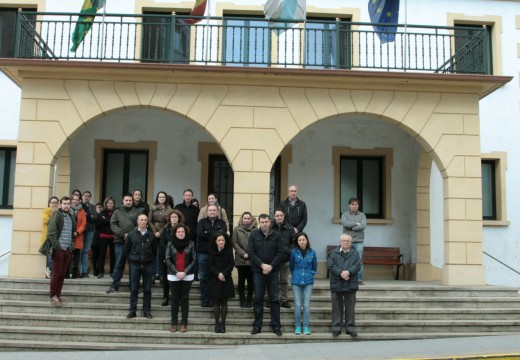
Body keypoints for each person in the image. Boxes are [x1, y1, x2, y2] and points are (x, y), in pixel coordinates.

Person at [248, 213, 285, 336]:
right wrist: (262, 265)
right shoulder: (253, 235)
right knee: (258, 298)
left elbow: (280, 253)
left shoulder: (277, 235)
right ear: (259, 222)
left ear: (270, 222)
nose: (264, 224)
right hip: (258, 271)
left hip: (273, 271)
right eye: (262, 222)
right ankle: (257, 326)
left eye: (266, 222)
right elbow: (251, 252)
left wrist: (270, 266)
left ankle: (276, 326)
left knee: (274, 299)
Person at [327, 233, 362, 338]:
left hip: (350, 284)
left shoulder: (355, 254)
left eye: (347, 241)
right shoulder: (333, 253)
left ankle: (350, 328)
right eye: (343, 241)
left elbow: (357, 265)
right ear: (340, 242)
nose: (345, 242)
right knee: (336, 307)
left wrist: (348, 272)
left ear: (351, 243)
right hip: (337, 283)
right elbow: (331, 265)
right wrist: (341, 273)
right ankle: (336, 328)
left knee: (350, 308)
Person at [165, 224, 196, 333]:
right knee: (174, 299)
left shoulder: (191, 244)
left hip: (187, 275)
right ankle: (174, 323)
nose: (181, 233)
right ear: (175, 233)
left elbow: (194, 259)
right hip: (174, 275)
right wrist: (176, 272)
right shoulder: (170, 244)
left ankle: (184, 323)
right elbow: (167, 259)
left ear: (185, 233)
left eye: (182, 231)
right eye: (178, 232)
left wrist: (185, 272)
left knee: (184, 299)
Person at [124, 213, 156, 319]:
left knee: (147, 289)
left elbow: (154, 251)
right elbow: (126, 250)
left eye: (145, 220)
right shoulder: (131, 234)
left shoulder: (151, 235)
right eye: (141, 220)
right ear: (137, 221)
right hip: (135, 265)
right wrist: (132, 260)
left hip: (148, 265)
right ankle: (132, 310)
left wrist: (150, 261)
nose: (144, 221)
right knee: (134, 289)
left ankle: (146, 311)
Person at [47, 196, 76, 307]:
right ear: (60, 204)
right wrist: (57, 247)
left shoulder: (71, 216)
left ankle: (58, 295)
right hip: (59, 249)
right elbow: (51, 234)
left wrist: (71, 246)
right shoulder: (57, 215)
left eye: (68, 203)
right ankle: (53, 296)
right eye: (64, 203)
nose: (66, 205)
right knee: (56, 273)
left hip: (67, 249)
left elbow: (72, 233)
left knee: (63, 274)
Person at [107, 193, 139, 293]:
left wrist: (131, 235)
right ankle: (114, 286)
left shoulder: (137, 212)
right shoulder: (117, 212)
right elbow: (113, 224)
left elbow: (140, 224)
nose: (128, 202)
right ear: (123, 201)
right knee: (119, 264)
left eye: (130, 200)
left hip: (133, 242)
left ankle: (133, 287)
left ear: (132, 201)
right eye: (126, 200)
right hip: (120, 241)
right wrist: (122, 234)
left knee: (133, 265)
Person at [196, 204, 227, 307]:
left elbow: (223, 235)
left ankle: (213, 299)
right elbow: (200, 234)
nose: (212, 212)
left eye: (214, 210)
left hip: (217, 255)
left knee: (214, 277)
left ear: (217, 212)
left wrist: (207, 232)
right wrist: (215, 234)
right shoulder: (201, 222)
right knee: (204, 277)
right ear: (207, 211)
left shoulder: (222, 223)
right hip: (203, 254)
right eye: (210, 210)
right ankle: (205, 299)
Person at [290, 232, 317, 335]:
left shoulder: (312, 252)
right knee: (297, 304)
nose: (302, 242)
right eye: (300, 240)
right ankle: (297, 326)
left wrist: (310, 274)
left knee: (306, 304)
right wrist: (296, 274)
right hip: (296, 281)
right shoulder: (293, 252)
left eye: (303, 240)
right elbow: (291, 266)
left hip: (308, 281)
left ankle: (306, 326)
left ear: (307, 240)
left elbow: (314, 267)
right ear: (297, 242)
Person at [208, 232, 235, 333]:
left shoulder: (229, 250)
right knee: (216, 302)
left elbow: (231, 264)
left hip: (226, 278)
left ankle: (222, 324)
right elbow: (210, 265)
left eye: (222, 240)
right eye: (219, 240)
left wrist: (223, 274)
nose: (221, 242)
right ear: (215, 241)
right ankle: (216, 323)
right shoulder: (211, 251)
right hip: (215, 278)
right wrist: (218, 274)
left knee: (224, 302)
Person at [159, 209, 185, 306]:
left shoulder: (182, 229)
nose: (174, 219)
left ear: (178, 219)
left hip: (180, 258)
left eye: (175, 217)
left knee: (179, 279)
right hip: (168, 258)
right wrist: (168, 255)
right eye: (172, 217)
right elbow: (162, 244)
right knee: (166, 279)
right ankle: (166, 297)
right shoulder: (165, 230)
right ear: (169, 219)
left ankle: (178, 298)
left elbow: (185, 242)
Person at [271, 208, 295, 309]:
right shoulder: (270, 227)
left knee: (284, 280)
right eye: (277, 215)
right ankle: (273, 299)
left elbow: (294, 243)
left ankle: (284, 299)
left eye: (281, 215)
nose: (279, 217)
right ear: (274, 217)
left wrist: (288, 251)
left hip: (285, 259)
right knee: (273, 280)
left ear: (284, 216)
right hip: (273, 260)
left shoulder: (290, 228)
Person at [232, 211, 256, 308]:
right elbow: (234, 242)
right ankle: (242, 299)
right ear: (242, 219)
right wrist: (243, 253)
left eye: (248, 218)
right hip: (240, 260)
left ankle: (249, 299)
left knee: (251, 281)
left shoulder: (255, 230)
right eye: (244, 218)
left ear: (251, 219)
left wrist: (250, 254)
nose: (246, 220)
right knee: (241, 281)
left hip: (252, 260)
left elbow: (256, 243)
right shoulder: (236, 229)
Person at [341, 197, 367, 284]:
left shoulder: (362, 215)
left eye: (356, 204)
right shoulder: (344, 215)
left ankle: (358, 279)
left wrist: (350, 227)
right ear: (349, 205)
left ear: (358, 205)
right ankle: (346, 277)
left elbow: (363, 226)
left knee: (358, 260)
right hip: (347, 241)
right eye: (353, 204)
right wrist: (356, 224)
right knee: (346, 259)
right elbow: (345, 223)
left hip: (359, 241)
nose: (354, 206)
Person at [149, 191, 172, 281]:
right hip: (153, 232)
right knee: (153, 253)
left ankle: (160, 272)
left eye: (163, 197)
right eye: (160, 197)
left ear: (165, 198)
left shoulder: (169, 208)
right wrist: (155, 231)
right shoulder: (153, 207)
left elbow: (169, 222)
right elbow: (149, 220)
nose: (161, 199)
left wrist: (160, 232)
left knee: (160, 254)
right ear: (157, 198)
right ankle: (154, 273)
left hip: (163, 233)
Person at [97, 197, 116, 278]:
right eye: (108, 203)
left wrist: (107, 221)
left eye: (111, 203)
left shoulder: (116, 212)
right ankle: (101, 272)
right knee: (102, 254)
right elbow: (102, 221)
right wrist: (111, 221)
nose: (110, 205)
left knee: (113, 255)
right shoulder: (102, 212)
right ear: (106, 204)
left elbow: (114, 222)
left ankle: (112, 271)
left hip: (113, 236)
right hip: (103, 236)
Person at [41, 196, 59, 278]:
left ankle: (50, 270)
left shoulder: (59, 212)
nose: (54, 204)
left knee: (54, 255)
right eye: (52, 203)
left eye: (56, 203)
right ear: (49, 204)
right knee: (50, 255)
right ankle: (49, 270)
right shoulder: (46, 211)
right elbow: (46, 220)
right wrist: (53, 213)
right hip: (48, 238)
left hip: (56, 238)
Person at [80, 191, 97, 278]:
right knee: (80, 250)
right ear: (82, 197)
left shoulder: (92, 207)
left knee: (86, 251)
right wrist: (89, 217)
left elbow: (95, 218)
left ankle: (85, 271)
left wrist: (88, 216)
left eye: (88, 196)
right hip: (81, 231)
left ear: (90, 198)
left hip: (90, 230)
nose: (86, 197)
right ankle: (79, 270)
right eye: (85, 196)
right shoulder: (80, 206)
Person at [70, 193, 87, 279]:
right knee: (68, 255)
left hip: (78, 236)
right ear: (71, 200)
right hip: (69, 236)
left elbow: (84, 224)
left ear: (79, 200)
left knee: (77, 256)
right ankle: (66, 273)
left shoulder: (82, 211)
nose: (75, 201)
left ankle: (75, 273)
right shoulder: (68, 209)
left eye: (77, 199)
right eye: (73, 199)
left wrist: (77, 232)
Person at [91, 202, 103, 277]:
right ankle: (95, 271)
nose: (99, 209)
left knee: (100, 255)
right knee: (94, 256)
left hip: (102, 238)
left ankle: (100, 270)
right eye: (97, 207)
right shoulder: (93, 216)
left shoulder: (103, 216)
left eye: (100, 207)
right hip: (94, 238)